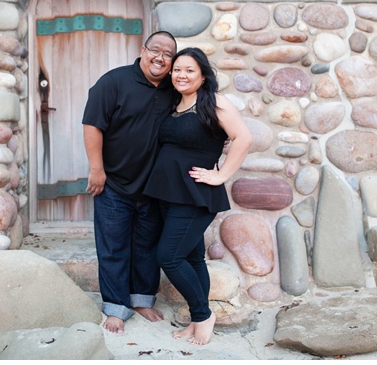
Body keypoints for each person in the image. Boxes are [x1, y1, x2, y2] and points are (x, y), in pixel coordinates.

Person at [143, 47, 252, 345]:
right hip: (168, 193)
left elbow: (244, 137)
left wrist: (222, 175)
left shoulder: (214, 102)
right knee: (192, 257)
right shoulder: (175, 104)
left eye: (189, 70)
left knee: (169, 255)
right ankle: (197, 318)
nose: (181, 75)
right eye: (177, 69)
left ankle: (203, 316)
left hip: (196, 194)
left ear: (203, 75)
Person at [82, 31, 178, 335]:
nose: (160, 58)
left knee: (147, 247)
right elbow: (92, 124)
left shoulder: (174, 90)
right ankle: (115, 307)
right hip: (113, 184)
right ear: (143, 50)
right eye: (155, 50)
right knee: (113, 247)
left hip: (152, 187)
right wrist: (97, 168)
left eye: (168, 54)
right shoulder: (114, 82)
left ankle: (141, 300)